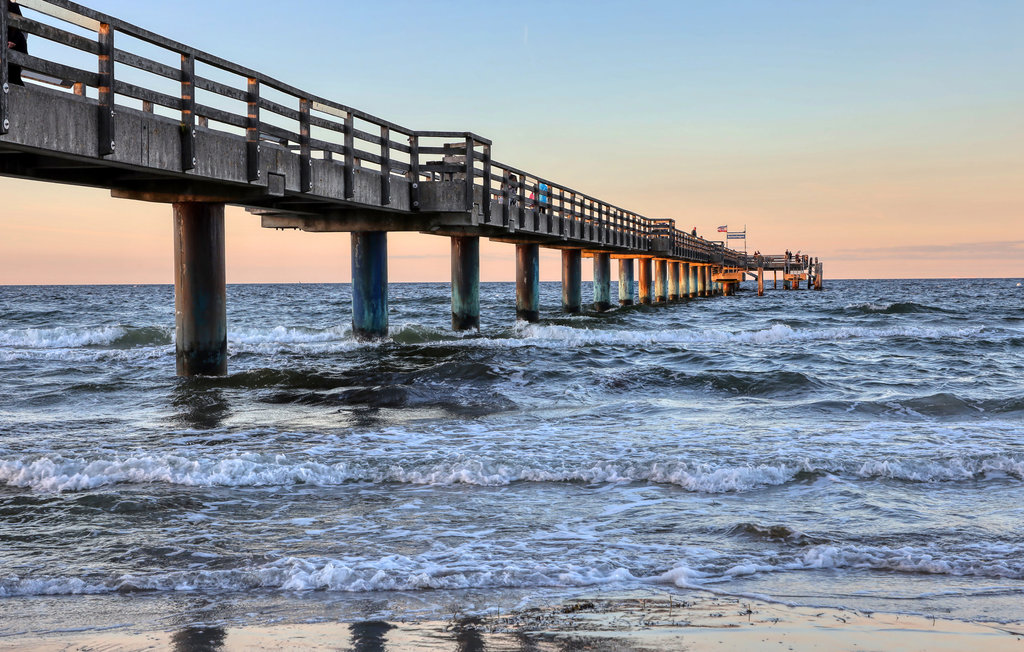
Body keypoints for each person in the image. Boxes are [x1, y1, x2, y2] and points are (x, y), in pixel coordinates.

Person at [7, 2, 27, 86]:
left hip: (13, 45)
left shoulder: (12, 6)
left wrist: (14, 40)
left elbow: (21, 26)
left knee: (13, 78)